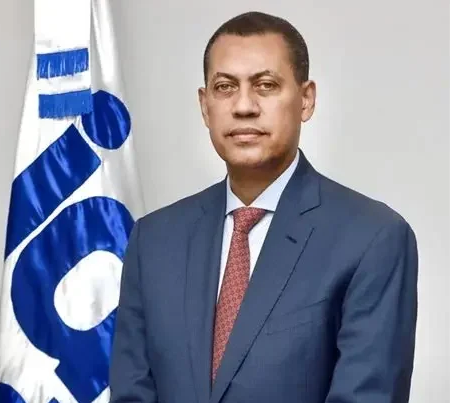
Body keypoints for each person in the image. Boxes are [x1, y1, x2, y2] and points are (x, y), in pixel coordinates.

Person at [108, 11, 418, 403]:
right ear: (204, 105)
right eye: (224, 87)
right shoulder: (154, 240)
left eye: (266, 85)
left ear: (306, 99)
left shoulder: (372, 238)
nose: (243, 106)